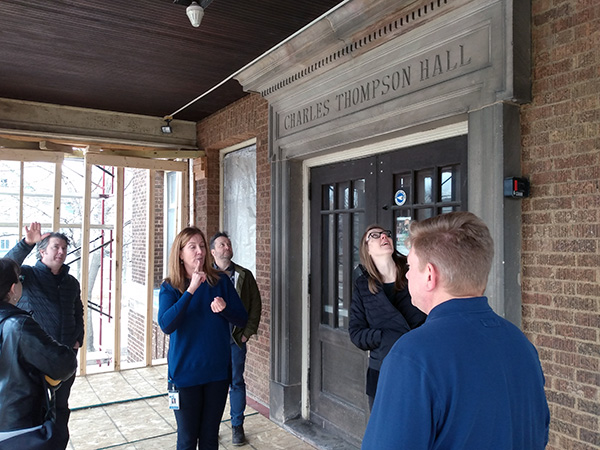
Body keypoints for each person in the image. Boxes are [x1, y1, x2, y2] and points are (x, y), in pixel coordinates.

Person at [362, 212, 550, 449]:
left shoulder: (412, 356)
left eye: (410, 266)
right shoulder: (522, 345)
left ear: (430, 275)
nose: (407, 274)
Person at [158, 226, 248, 450]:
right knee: (187, 439)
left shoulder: (220, 281)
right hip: (184, 376)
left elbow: (241, 318)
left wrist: (225, 308)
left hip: (216, 373)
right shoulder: (170, 287)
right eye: (192, 247)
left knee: (209, 437)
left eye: (202, 246)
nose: (199, 251)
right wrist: (191, 289)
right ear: (180, 253)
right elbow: (167, 324)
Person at [5, 222, 84, 449]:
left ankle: (59, 444)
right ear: (42, 252)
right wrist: (26, 243)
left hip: (65, 357)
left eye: (64, 248)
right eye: (56, 247)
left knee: (61, 408)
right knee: (36, 409)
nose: (61, 252)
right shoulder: (27, 276)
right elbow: (6, 266)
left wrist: (78, 338)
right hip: (36, 359)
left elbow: (78, 312)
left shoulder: (71, 282)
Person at [349, 225, 426, 410]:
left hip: (420, 366)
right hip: (382, 370)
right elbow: (356, 333)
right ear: (366, 248)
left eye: (386, 234)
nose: (384, 237)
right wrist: (384, 337)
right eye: (374, 236)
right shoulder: (362, 285)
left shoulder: (414, 274)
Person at [209, 232, 262, 446]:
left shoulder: (244, 275)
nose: (227, 247)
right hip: (211, 342)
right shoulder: (204, 275)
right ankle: (210, 427)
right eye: (222, 244)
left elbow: (255, 306)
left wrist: (247, 332)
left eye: (229, 244)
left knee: (236, 382)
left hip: (235, 340)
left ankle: (237, 426)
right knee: (212, 386)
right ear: (213, 252)